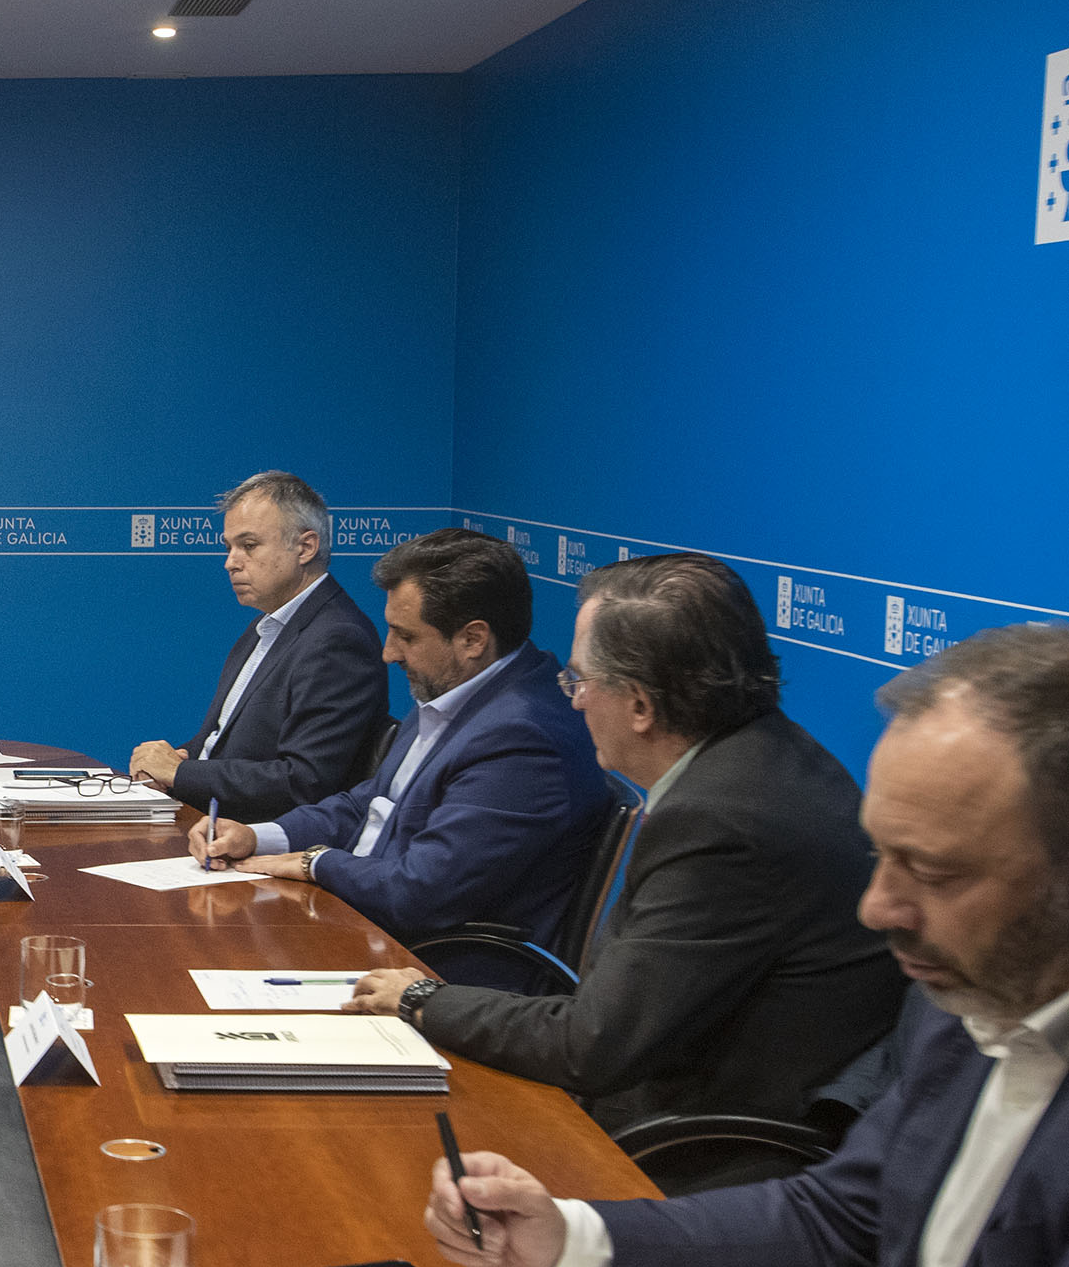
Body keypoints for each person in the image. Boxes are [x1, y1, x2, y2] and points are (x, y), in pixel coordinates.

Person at [420, 625, 1069, 1267]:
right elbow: (842, 1218)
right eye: (882, 857)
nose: (878, 908)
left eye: (933, 873)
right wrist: (568, 1242)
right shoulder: (974, 988)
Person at [344, 552, 904, 1137]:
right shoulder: (763, 757)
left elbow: (593, 1045)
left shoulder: (723, 821)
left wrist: (422, 999)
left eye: (580, 681)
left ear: (640, 705)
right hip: (675, 1090)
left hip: (707, 1142)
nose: (574, 701)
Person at [189, 527, 605, 988]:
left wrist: (314, 863)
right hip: (364, 930)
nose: (388, 652)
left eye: (405, 636)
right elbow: (368, 803)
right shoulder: (461, 692)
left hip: (429, 971)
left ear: (473, 639)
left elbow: (419, 891)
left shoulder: (522, 739)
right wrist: (259, 836)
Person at [128, 470, 388, 819]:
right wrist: (168, 761)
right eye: (229, 547)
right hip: (210, 821)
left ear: (305, 547)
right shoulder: (266, 625)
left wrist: (179, 773)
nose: (230, 563)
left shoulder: (338, 638)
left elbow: (305, 782)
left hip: (263, 838)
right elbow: (215, 745)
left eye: (248, 546)